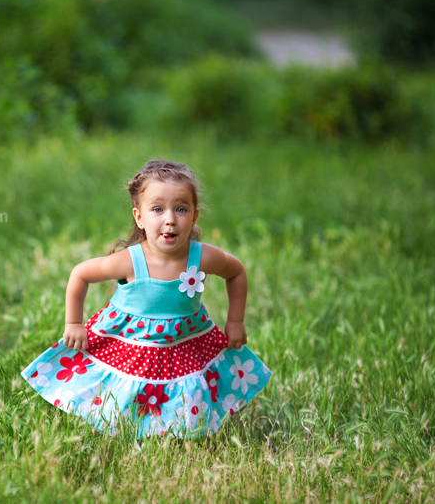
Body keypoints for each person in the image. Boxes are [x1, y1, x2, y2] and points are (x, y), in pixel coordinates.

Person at [20, 159, 271, 439]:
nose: (170, 219)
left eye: (181, 209)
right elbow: (80, 274)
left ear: (194, 217)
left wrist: (235, 321)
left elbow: (236, 272)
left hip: (183, 339)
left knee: (187, 385)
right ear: (139, 218)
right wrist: (73, 323)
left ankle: (181, 430)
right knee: (128, 388)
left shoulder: (203, 257)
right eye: (157, 209)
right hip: (131, 339)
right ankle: (126, 427)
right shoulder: (129, 261)